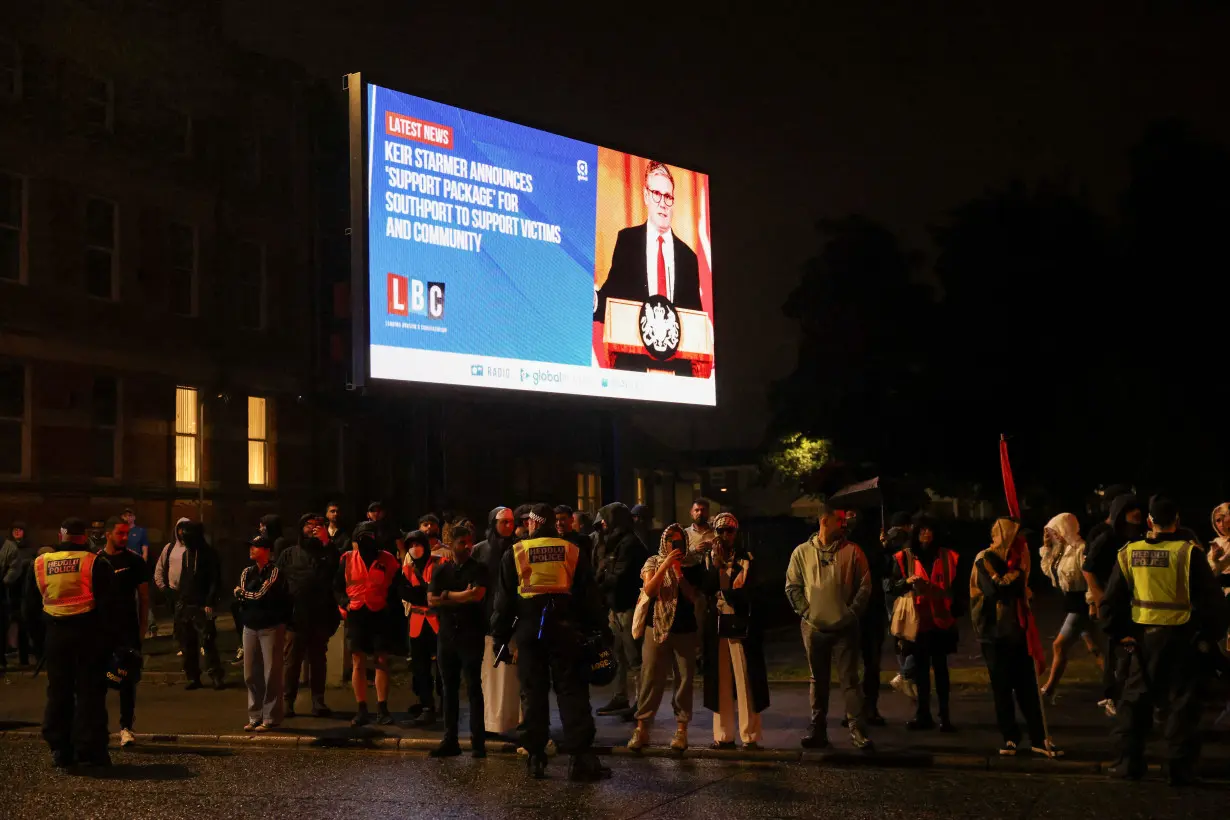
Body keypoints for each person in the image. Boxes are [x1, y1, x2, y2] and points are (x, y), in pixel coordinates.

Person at [1101, 497, 1229, 786]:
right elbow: (1214, 603)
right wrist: (1207, 637)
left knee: (1134, 705)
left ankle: (1128, 764)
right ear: (1177, 520)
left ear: (1149, 521)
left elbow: (1110, 603)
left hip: (1142, 643)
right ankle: (1178, 770)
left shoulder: (1129, 553)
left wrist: (1120, 634)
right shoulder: (1189, 553)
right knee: (1182, 706)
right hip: (1182, 640)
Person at [491, 503, 610, 782]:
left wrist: (499, 637)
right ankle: (579, 759)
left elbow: (504, 601)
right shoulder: (571, 551)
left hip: (530, 633)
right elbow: (588, 597)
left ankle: (535, 757)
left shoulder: (517, 552)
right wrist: (599, 631)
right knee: (572, 693)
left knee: (533, 694)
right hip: (566, 632)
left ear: (534, 524)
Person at [25, 518, 113, 768]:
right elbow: (109, 608)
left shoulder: (41, 563)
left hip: (55, 636)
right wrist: (110, 644)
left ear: (61, 535)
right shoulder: (95, 562)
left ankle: (60, 748)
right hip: (88, 637)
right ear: (84, 537)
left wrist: (38, 643)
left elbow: (29, 609)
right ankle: (91, 749)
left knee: (58, 693)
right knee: (90, 693)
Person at [785, 505, 874, 751]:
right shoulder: (801, 553)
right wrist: (807, 612)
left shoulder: (853, 552)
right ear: (824, 521)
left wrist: (852, 613)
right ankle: (818, 729)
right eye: (840, 520)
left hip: (845, 627)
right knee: (818, 680)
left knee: (850, 679)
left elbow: (865, 586)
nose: (844, 524)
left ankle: (857, 730)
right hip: (813, 628)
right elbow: (792, 586)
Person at [971, 517, 1060, 758]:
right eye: (1015, 536)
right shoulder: (984, 559)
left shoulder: (1017, 559)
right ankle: (1010, 737)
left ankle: (1038, 738)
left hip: (1018, 631)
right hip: (993, 633)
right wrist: (1019, 577)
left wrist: (1021, 576)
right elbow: (996, 589)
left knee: (1027, 687)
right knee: (1002, 687)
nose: (1020, 542)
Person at [594, 161, 702, 321]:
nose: (663, 204)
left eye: (668, 196)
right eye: (656, 194)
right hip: (633, 343)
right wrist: (595, 301)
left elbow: (695, 319)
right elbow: (612, 299)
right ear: (646, 196)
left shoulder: (689, 258)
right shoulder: (628, 241)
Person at [628, 524, 704, 751]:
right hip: (656, 627)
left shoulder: (692, 564)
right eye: (671, 541)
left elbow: (693, 598)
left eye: (679, 541)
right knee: (650, 676)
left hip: (684, 629)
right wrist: (666, 565)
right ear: (664, 542)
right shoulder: (653, 562)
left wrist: (679, 571)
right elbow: (649, 590)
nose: (674, 545)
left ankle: (681, 731)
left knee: (684, 679)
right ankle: (642, 728)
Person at [701, 512, 768, 750]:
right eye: (720, 531)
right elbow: (707, 588)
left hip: (740, 623)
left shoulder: (747, 558)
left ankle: (749, 735)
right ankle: (723, 735)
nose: (724, 535)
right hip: (717, 623)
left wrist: (726, 591)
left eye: (729, 531)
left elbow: (749, 592)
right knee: (721, 680)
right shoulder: (709, 558)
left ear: (736, 533)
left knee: (745, 678)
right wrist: (719, 570)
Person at [888, 514, 959, 732]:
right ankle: (924, 715)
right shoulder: (904, 557)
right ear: (916, 533)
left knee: (941, 670)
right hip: (917, 622)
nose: (926, 534)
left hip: (941, 621)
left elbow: (958, 588)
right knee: (921, 672)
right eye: (922, 530)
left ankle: (944, 717)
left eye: (930, 530)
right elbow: (891, 586)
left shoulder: (950, 557)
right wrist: (907, 582)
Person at [427, 525, 488, 758]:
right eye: (462, 542)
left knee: (473, 687)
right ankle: (450, 739)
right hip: (447, 635)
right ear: (451, 544)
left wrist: (447, 596)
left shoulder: (479, 568)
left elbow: (477, 595)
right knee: (448, 688)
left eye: (470, 541)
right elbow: (431, 600)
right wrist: (459, 596)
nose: (468, 546)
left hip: (471, 634)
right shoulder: (441, 570)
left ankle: (478, 742)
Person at [1083, 493, 1144, 716]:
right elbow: (1087, 568)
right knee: (1113, 650)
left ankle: (1132, 694)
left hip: (1134, 601)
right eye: (1130, 509)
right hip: (1113, 601)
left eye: (1137, 508)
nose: (1136, 513)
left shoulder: (1141, 538)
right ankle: (1111, 696)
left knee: (1133, 649)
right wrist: (1099, 597)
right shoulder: (1108, 538)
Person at [276, 512, 342, 718]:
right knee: (292, 661)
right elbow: (278, 583)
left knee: (318, 660)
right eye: (308, 525)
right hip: (295, 616)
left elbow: (336, 572)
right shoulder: (288, 554)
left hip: (320, 615)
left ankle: (318, 701)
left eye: (317, 525)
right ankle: (287, 701)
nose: (312, 528)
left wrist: (326, 543)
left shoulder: (329, 552)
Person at [335, 520, 400, 727]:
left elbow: (396, 586)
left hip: (379, 613)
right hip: (356, 614)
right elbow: (336, 586)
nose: (366, 542)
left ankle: (382, 708)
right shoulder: (347, 559)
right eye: (361, 538)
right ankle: (361, 708)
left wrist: (390, 608)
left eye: (370, 537)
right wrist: (343, 604)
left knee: (381, 660)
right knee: (358, 661)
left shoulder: (387, 559)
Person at [96, 516, 149, 748]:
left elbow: (144, 597)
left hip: (127, 628)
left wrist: (142, 628)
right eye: (120, 533)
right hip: (102, 628)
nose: (125, 538)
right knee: (99, 679)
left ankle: (126, 727)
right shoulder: (97, 560)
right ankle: (97, 728)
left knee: (127, 680)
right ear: (108, 534)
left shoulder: (135, 561)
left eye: (127, 534)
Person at [1039, 513, 1104, 700]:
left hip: (1081, 603)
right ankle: (1116, 682)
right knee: (1095, 647)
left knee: (1059, 645)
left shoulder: (1081, 549)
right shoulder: (1062, 551)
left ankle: (1049, 688)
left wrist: (1092, 603)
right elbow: (1049, 572)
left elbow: (1090, 579)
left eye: (1055, 531)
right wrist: (1047, 547)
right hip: (1071, 602)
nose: (1053, 535)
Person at [593, 502, 648, 719]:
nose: (603, 522)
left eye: (607, 518)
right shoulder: (615, 542)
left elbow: (617, 576)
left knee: (633, 656)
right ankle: (621, 696)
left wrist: (600, 579)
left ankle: (641, 702)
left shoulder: (629, 543)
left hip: (628, 606)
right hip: (616, 606)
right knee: (618, 653)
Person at [474, 506, 520, 739]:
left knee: (510, 677)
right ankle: (491, 722)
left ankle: (512, 721)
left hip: (511, 619)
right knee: (490, 676)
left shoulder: (517, 549)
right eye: (504, 522)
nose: (509, 527)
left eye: (511, 522)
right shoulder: (480, 551)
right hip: (486, 619)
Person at [235, 533, 289, 732]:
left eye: (255, 546)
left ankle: (271, 717)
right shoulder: (247, 572)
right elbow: (246, 595)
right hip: (250, 627)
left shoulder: (274, 572)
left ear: (266, 550)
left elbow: (259, 595)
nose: (251, 549)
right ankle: (255, 715)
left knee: (271, 673)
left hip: (270, 627)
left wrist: (242, 594)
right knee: (250, 673)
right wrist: (244, 595)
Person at [173, 521, 225, 690]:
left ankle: (216, 675)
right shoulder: (187, 554)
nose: (184, 537)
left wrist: (210, 602)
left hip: (202, 605)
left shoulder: (209, 554)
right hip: (187, 604)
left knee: (208, 641)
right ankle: (193, 677)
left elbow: (214, 580)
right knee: (188, 643)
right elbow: (185, 578)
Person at [402, 530, 443, 727]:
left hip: (438, 621)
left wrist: (422, 593)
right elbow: (405, 592)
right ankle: (427, 706)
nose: (414, 548)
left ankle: (444, 704)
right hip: (417, 623)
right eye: (411, 545)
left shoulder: (439, 563)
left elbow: (439, 590)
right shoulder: (408, 569)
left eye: (418, 544)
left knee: (443, 666)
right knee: (420, 667)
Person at [881, 512, 917, 700]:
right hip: (901, 591)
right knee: (913, 635)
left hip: (890, 592)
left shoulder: (886, 539)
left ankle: (907, 678)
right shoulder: (903, 540)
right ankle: (905, 675)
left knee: (900, 634)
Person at [1, 520, 39, 667]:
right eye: (15, 530)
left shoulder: (30, 549)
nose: (17, 532)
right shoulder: (6, 548)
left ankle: (25, 658)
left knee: (24, 625)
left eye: (20, 530)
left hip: (24, 591)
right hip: (9, 590)